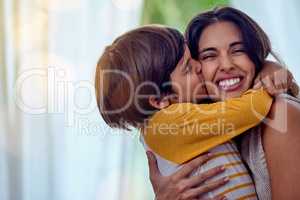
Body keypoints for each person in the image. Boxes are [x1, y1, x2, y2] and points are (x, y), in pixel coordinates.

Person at [95, 24, 295, 199]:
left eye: (238, 50)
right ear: (160, 100)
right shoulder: (170, 123)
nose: (199, 66)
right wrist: (270, 80)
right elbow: (249, 110)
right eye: (188, 68)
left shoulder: (182, 116)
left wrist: (269, 67)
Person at [147, 6, 300, 200]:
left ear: (254, 55)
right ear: (196, 68)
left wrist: (271, 71)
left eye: (238, 50)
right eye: (209, 56)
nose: (227, 65)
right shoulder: (201, 128)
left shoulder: (280, 114)